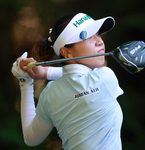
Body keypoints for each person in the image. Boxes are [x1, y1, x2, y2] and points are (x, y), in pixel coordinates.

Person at [12, 12, 124, 150]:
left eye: (98, 34)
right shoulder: (106, 77)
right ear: (66, 52)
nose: (100, 41)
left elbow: (31, 138)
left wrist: (25, 82)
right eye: (88, 36)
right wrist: (46, 73)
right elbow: (81, 79)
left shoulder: (49, 94)